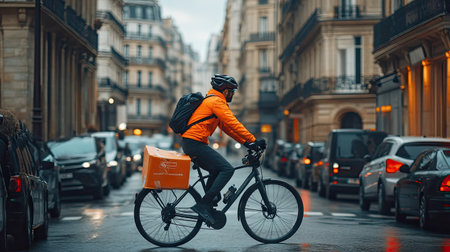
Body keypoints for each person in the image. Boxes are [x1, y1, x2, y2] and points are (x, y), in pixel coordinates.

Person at [181, 74, 266, 225]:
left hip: (192, 143)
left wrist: (247, 143)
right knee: (227, 169)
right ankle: (204, 205)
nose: (233, 94)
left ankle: (209, 203)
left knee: (216, 170)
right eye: (232, 91)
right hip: (194, 143)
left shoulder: (212, 101)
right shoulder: (216, 102)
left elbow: (227, 128)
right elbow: (234, 123)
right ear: (226, 91)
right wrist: (253, 140)